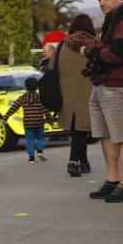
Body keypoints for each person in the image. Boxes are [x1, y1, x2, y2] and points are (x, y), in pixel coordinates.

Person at [85, 0, 123, 202]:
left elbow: (115, 54)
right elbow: (106, 51)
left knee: (122, 136)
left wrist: (90, 50)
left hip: (117, 86)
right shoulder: (112, 20)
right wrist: (97, 51)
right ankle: (113, 180)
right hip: (102, 84)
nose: (102, 3)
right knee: (106, 134)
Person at [53, 14, 94, 176]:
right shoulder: (93, 45)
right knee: (81, 128)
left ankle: (83, 162)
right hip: (88, 92)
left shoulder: (62, 45)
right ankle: (73, 161)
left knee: (77, 129)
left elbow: (51, 66)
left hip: (66, 94)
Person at [3, 77, 48, 163]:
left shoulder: (22, 98)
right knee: (41, 138)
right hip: (39, 122)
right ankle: (40, 150)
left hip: (28, 123)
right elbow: (45, 109)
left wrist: (5, 118)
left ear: (26, 87)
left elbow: (13, 108)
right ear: (37, 87)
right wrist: (50, 119)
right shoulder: (40, 98)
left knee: (29, 140)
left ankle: (31, 158)